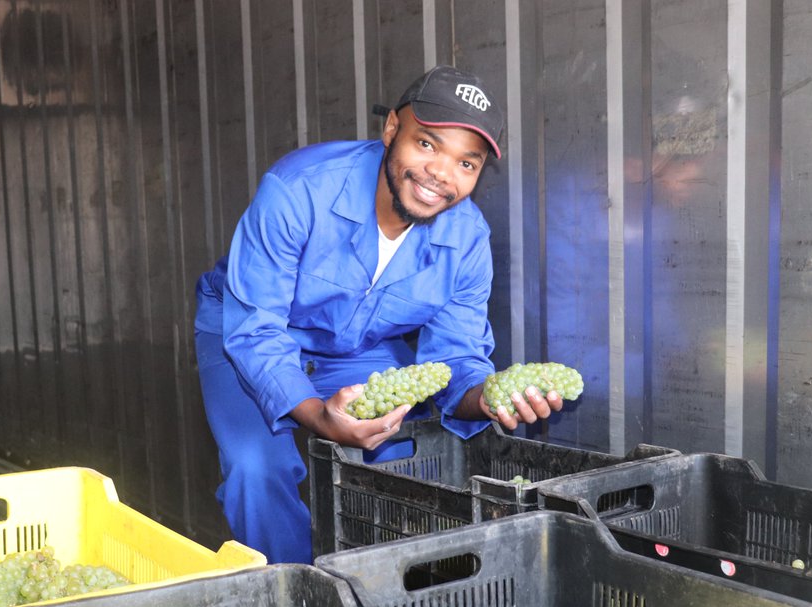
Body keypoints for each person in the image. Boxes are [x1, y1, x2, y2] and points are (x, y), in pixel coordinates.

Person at [193, 65, 563, 563]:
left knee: (393, 458)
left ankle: (371, 600)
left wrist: (493, 397)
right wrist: (317, 416)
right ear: (392, 129)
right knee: (257, 469)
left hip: (358, 346)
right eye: (427, 144)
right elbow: (256, 327)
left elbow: (457, 357)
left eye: (466, 164)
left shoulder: (467, 241)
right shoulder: (299, 190)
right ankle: (296, 601)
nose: (441, 174)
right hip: (245, 329)